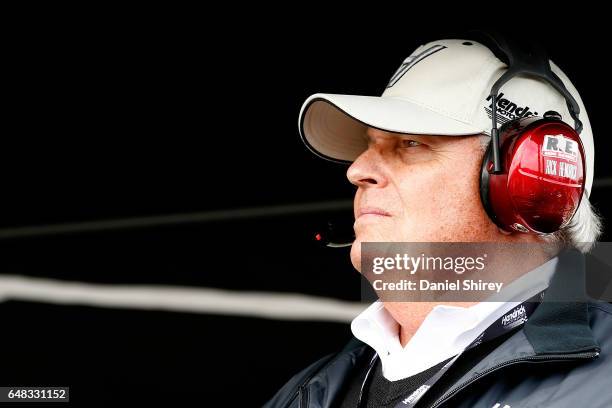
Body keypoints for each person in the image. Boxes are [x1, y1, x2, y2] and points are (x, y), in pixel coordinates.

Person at [265, 37, 612, 408]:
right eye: (369, 144)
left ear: (531, 182)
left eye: (410, 143)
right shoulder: (307, 392)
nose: (357, 170)